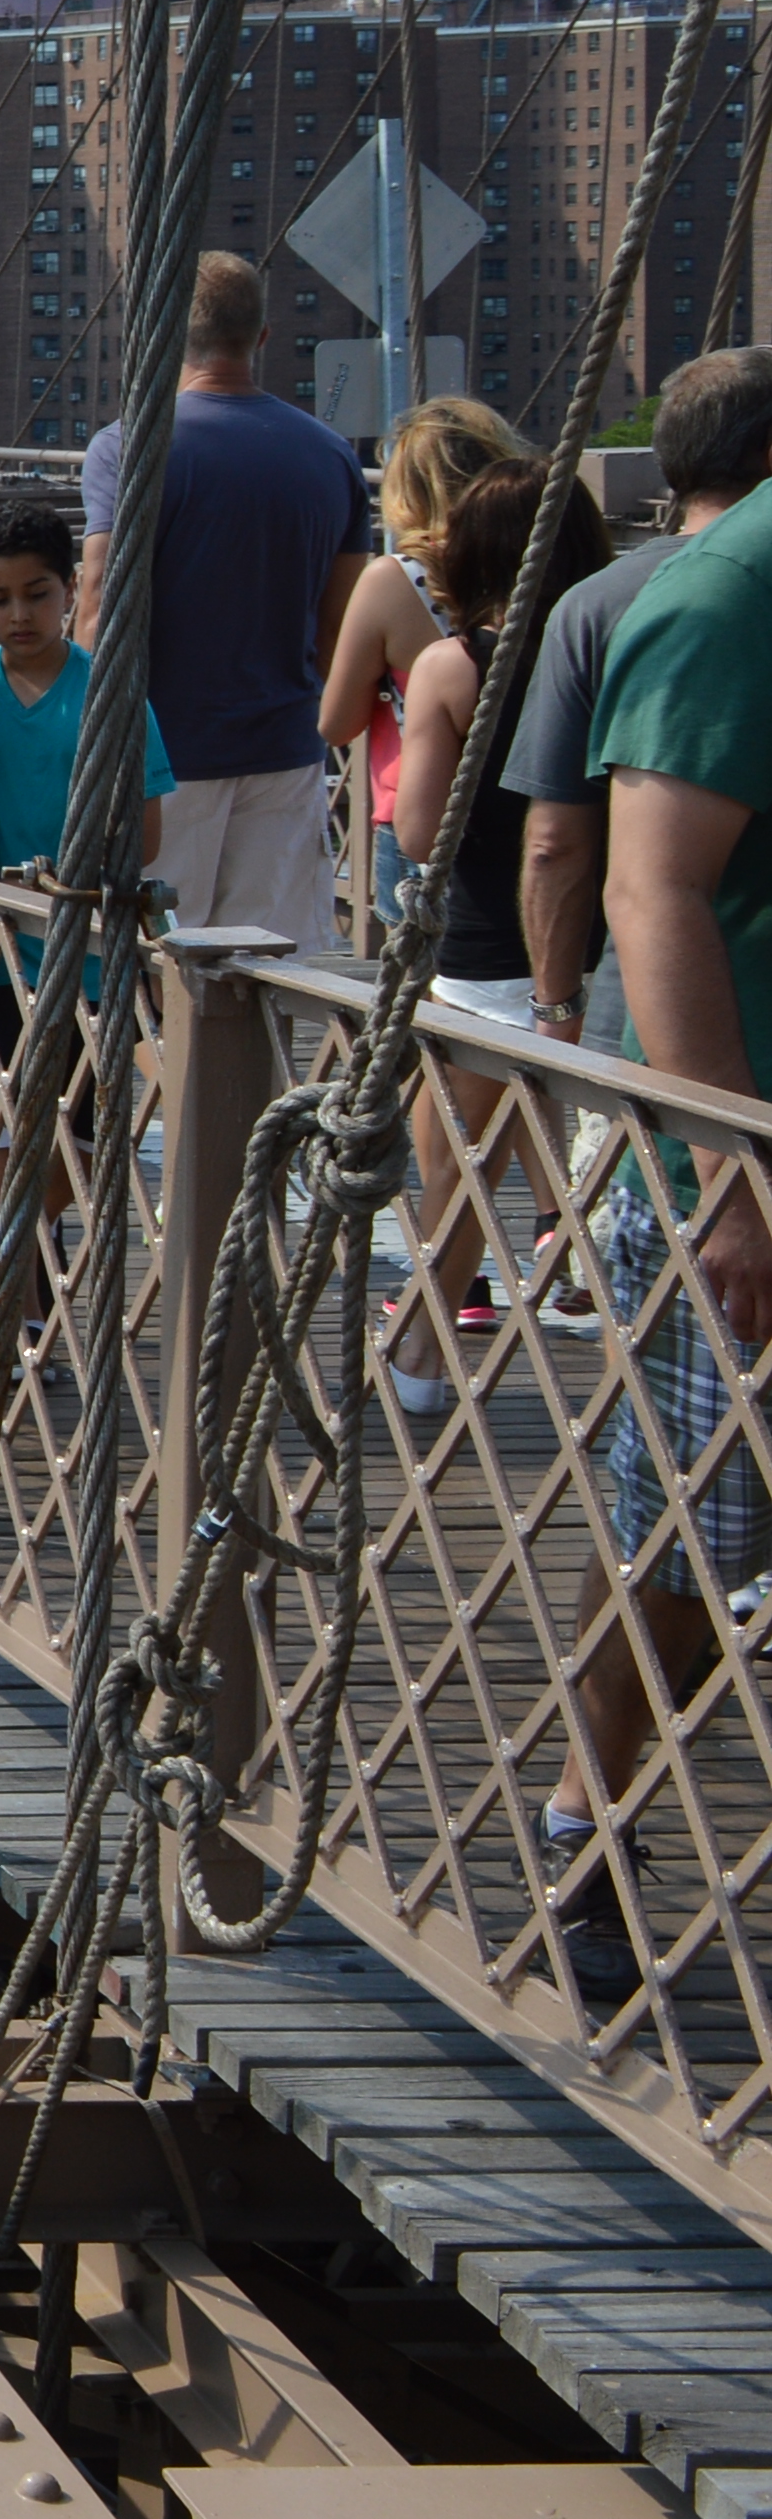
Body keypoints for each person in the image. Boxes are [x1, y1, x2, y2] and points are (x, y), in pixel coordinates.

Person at [562, 482, 772, 2017]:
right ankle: (591, 1820)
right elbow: (647, 883)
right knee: (685, 1548)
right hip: (737, 1162)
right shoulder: (724, 600)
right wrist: (729, 1178)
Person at [384, 463, 589, 1412]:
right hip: (598, 949)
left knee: (453, 1173)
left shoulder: (455, 664)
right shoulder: (603, 646)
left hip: (482, 953)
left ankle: (421, 1362)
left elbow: (422, 833)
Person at [514, 348, 772, 1057]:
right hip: (722, 1012)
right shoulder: (733, 588)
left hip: (634, 995)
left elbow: (554, 838)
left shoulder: (595, 604)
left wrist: (555, 1001)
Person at [134, 253, 376, 945]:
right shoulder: (331, 456)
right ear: (263, 337)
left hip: (163, 760)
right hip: (284, 752)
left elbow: (99, 607)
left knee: (152, 969)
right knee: (269, 973)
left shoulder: (132, 447)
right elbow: (342, 629)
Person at [320, 394, 523, 915]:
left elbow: (337, 724)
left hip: (422, 823)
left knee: (429, 985)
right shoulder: (536, 566)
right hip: (533, 810)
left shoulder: (395, 580)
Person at [0, 505, 165, 892]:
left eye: (37, 595)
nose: (20, 615)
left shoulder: (113, 694)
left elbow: (144, 838)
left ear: (69, 589)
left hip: (82, 926)